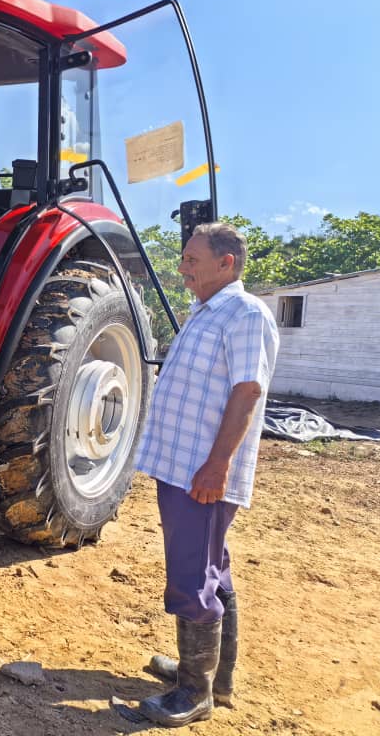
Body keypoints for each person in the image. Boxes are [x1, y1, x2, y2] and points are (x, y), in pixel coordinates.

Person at [131, 222, 279, 727]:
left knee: (193, 577)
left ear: (226, 263)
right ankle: (217, 678)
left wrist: (218, 465)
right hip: (183, 466)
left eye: (192, 259)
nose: (183, 268)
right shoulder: (206, 312)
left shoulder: (243, 313)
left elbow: (246, 392)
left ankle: (194, 693)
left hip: (202, 472)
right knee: (212, 567)